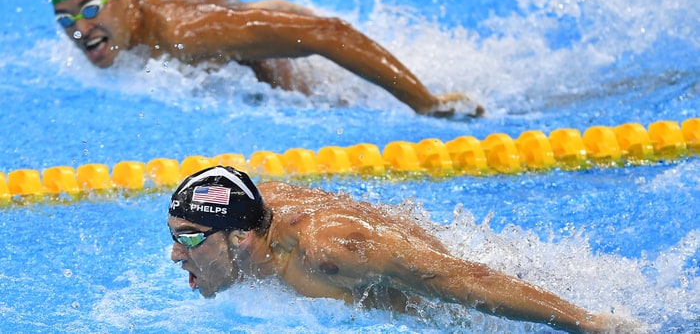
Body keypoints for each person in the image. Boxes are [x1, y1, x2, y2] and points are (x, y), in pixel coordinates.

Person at [167, 166, 639, 333]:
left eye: (188, 238)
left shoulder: (329, 251)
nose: (175, 255)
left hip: (479, 317)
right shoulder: (253, 208)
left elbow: (458, 281)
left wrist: (588, 324)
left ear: (240, 238)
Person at [48, 0, 484, 118]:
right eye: (65, 19)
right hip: (237, 17)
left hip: (258, 38)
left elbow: (327, 32)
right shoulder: (121, 14)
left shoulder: (186, 33)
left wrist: (425, 104)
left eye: (89, 10)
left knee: (336, 104)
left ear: (124, 0)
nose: (80, 29)